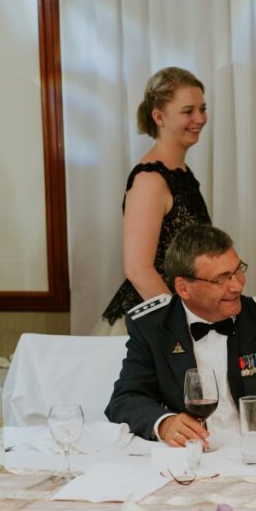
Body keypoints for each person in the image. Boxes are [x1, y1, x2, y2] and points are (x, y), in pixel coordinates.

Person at [106, 224, 256, 446]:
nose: (237, 285)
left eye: (237, 271)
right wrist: (165, 423)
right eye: (222, 279)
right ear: (183, 288)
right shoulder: (153, 327)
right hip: (193, 460)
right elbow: (125, 399)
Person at [98, 67, 211, 333]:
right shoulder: (150, 180)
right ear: (159, 117)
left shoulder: (180, 172)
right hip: (155, 321)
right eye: (188, 111)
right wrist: (180, 324)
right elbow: (138, 269)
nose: (200, 118)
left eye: (202, 109)